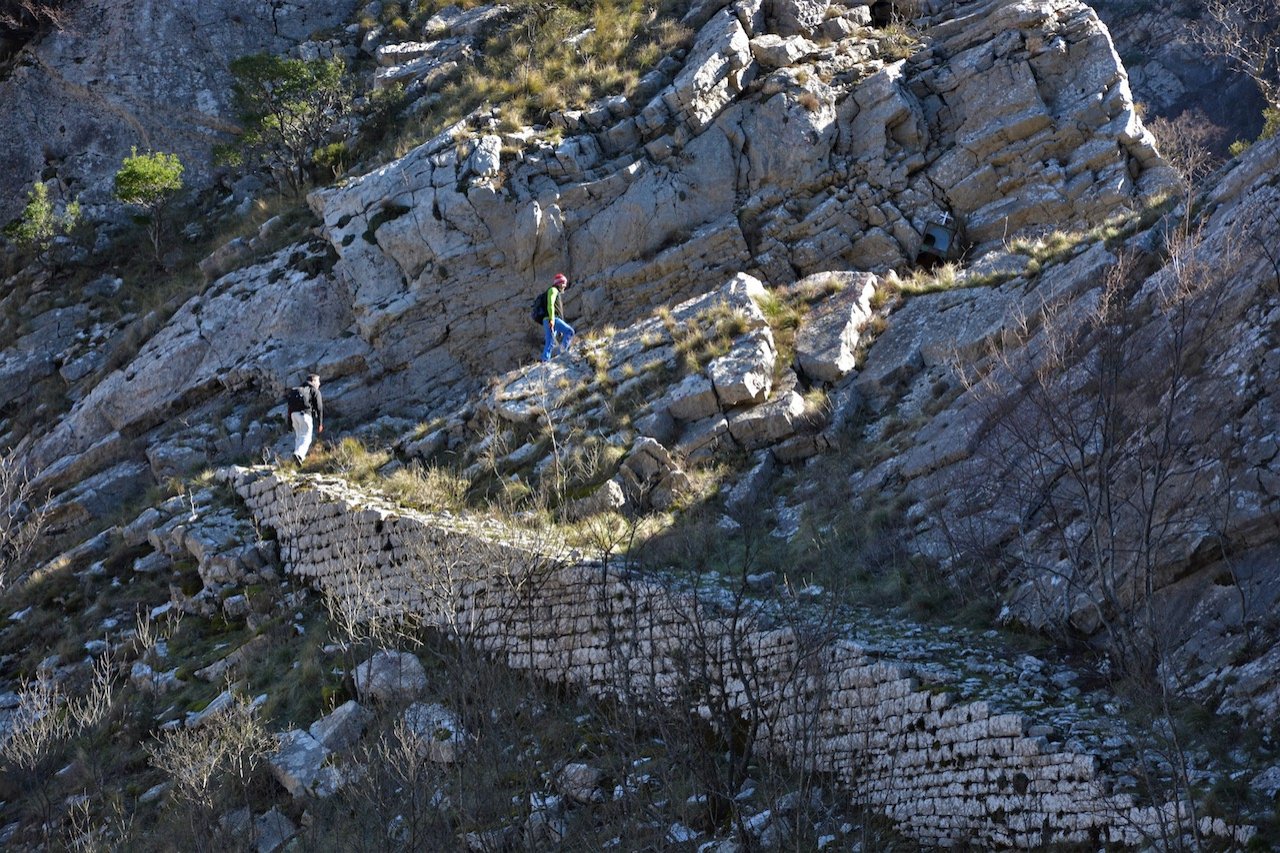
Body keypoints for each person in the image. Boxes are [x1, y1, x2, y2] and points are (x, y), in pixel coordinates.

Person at [285, 373, 324, 464]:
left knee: (299, 437)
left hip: (294, 416)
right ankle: (299, 454)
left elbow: (289, 408)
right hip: (305, 415)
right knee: (307, 437)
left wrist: (289, 424)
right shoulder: (314, 391)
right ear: (313, 381)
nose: (319, 384)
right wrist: (320, 423)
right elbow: (319, 408)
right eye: (318, 381)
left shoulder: (296, 390)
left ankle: (297, 459)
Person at [540, 272, 575, 362]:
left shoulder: (553, 291)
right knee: (570, 332)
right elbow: (550, 305)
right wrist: (552, 320)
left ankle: (545, 361)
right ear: (559, 283)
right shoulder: (553, 290)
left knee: (550, 342)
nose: (565, 285)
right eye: (564, 283)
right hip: (552, 319)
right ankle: (562, 353)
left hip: (547, 319)